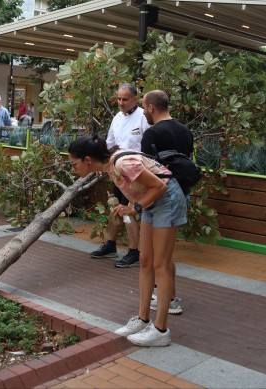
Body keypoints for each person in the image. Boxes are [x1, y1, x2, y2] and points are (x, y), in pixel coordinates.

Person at [68, 135, 187, 347]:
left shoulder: (122, 163)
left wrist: (135, 208)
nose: (72, 169)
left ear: (87, 159)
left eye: (73, 164)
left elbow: (160, 186)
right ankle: (142, 320)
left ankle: (160, 330)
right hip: (152, 202)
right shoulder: (108, 166)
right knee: (145, 261)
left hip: (167, 201)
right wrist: (135, 206)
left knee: (161, 265)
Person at [141, 90, 194, 316]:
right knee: (166, 254)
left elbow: (146, 171)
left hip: (160, 197)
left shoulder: (152, 133)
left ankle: (168, 300)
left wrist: (140, 201)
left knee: (157, 258)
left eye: (144, 107)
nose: (143, 111)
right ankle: (169, 296)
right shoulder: (185, 131)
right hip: (182, 192)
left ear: (151, 108)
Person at [91, 83, 150, 268]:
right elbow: (109, 145)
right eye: (118, 99)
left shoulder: (143, 117)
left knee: (127, 210)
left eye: (125, 99)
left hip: (136, 173)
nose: (121, 102)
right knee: (115, 207)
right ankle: (110, 245)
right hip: (118, 171)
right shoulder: (117, 117)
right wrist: (101, 163)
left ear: (135, 99)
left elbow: (149, 147)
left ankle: (134, 252)